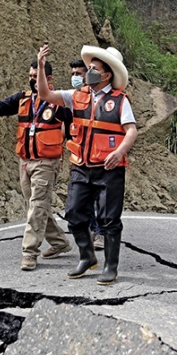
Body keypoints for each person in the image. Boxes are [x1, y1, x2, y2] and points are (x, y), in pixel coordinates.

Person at [37, 44, 138, 285]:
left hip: (110, 168)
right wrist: (41, 67)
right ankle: (87, 256)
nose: (88, 72)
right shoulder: (77, 96)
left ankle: (110, 267)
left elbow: (132, 130)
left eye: (94, 68)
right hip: (81, 166)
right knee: (74, 214)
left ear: (107, 74)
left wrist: (119, 151)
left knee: (109, 219)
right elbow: (45, 95)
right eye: (88, 67)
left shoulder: (120, 100)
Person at [0, 59, 72, 271]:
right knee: (36, 207)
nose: (32, 80)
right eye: (30, 76)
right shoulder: (22, 98)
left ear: (49, 79)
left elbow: (74, 126)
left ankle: (29, 253)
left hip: (46, 163)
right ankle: (59, 242)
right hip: (25, 162)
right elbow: (0, 108)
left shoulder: (59, 101)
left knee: (37, 206)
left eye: (36, 76)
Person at [70, 58, 105, 251]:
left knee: (98, 196)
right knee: (78, 202)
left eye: (79, 74)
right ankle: (93, 229)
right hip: (79, 157)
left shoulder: (101, 97)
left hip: (99, 157)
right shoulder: (74, 97)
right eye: (73, 74)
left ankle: (99, 231)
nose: (75, 77)